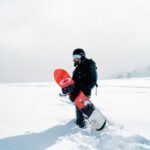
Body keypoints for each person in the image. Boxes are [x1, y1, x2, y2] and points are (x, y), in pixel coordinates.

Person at [69, 48, 98, 128]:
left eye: (77, 56)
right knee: (79, 107)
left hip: (84, 91)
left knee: (80, 107)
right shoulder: (77, 69)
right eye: (74, 56)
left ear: (82, 55)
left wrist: (87, 89)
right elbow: (73, 81)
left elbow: (93, 79)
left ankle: (81, 125)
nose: (75, 58)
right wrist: (70, 89)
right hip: (77, 91)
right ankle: (82, 122)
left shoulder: (89, 64)